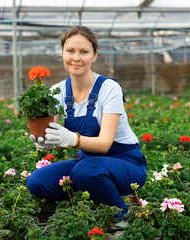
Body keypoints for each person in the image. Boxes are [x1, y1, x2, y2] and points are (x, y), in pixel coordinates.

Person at [26, 26, 147, 220]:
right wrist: (43, 141)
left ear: (95, 55)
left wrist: (70, 138)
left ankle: (121, 216)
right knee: (37, 181)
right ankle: (91, 199)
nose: (76, 58)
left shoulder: (109, 89)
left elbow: (105, 143)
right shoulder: (57, 91)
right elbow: (50, 127)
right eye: (70, 51)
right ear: (62, 53)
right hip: (88, 164)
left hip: (127, 164)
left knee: (85, 172)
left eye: (84, 52)